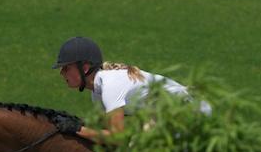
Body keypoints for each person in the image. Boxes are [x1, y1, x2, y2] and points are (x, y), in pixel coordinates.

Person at [51, 36, 189, 143]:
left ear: (85, 68)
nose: (62, 73)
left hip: (188, 111)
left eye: (66, 68)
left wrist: (77, 129)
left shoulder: (110, 86)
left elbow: (118, 137)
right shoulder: (97, 93)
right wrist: (78, 123)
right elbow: (104, 132)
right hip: (167, 115)